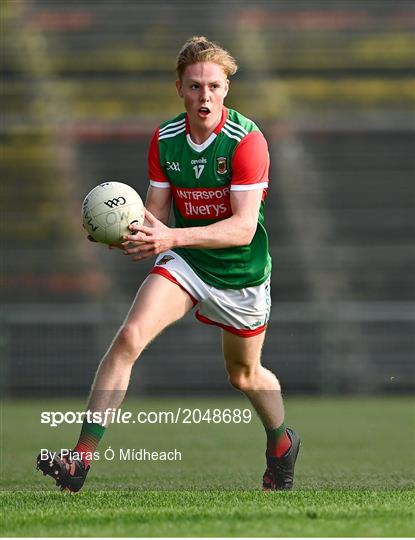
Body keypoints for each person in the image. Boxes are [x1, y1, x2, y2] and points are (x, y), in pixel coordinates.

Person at [37, 36, 300, 492]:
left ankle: (281, 443)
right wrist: (125, 234)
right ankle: (79, 459)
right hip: (188, 263)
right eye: (195, 87)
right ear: (179, 87)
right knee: (128, 338)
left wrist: (169, 235)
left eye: (214, 87)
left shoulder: (247, 141)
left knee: (243, 375)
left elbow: (242, 228)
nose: (205, 97)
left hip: (241, 273)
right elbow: (156, 211)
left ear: (226, 89)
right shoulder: (165, 138)